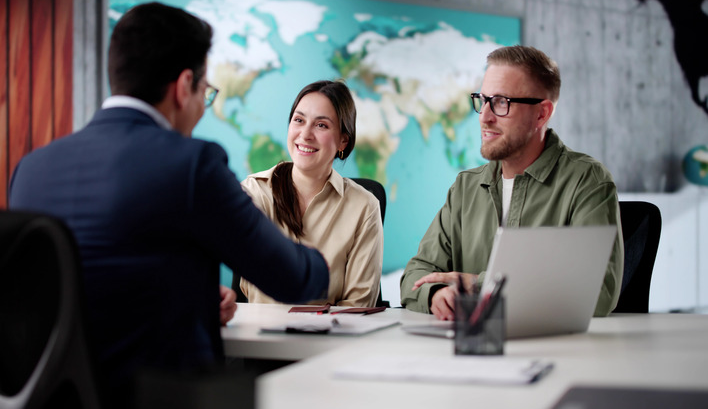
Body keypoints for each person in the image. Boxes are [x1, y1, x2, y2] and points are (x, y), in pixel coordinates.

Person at [8, 2, 329, 405]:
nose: (202, 107)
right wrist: (322, 263)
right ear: (183, 86)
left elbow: (93, 282)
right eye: (205, 92)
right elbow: (292, 278)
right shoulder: (191, 164)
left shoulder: (30, 169)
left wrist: (189, 296)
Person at [400, 45, 623, 320]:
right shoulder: (465, 188)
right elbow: (415, 276)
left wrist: (477, 284)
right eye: (483, 100)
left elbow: (598, 293)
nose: (485, 116)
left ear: (542, 114)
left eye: (501, 102)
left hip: (555, 346)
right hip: (471, 343)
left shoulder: (587, 182)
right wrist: (436, 294)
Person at [239, 80, 384, 307]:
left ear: (343, 140)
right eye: (299, 120)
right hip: (262, 327)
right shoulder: (254, 192)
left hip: (333, 330)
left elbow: (358, 305)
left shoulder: (364, 207)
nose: (305, 134)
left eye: (321, 125)